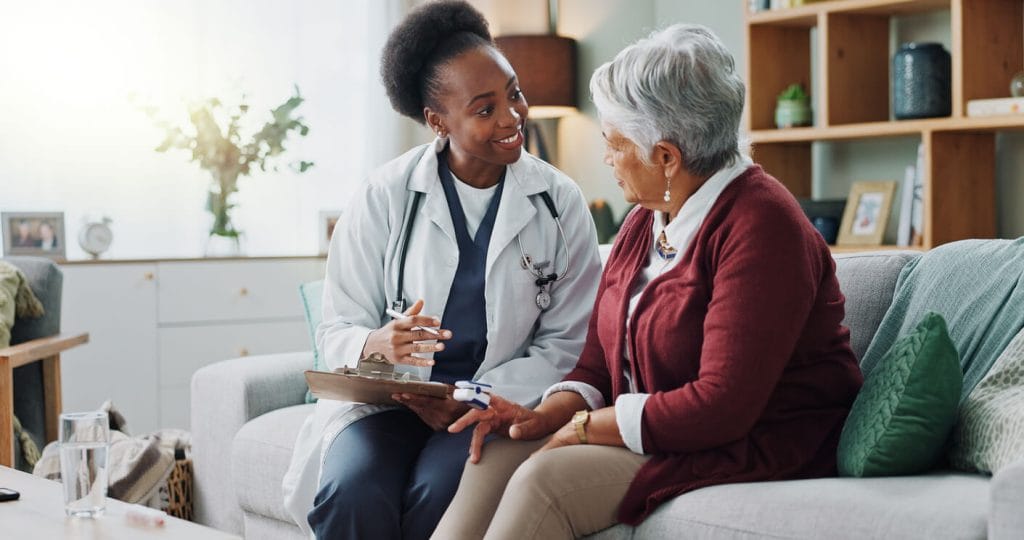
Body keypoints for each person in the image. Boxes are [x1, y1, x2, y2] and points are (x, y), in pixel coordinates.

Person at [433, 23, 864, 539]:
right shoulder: (646, 218)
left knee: (545, 478)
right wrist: (542, 417)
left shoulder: (762, 225)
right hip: (655, 432)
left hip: (752, 440)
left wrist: (585, 428)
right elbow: (596, 364)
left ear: (665, 156)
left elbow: (720, 407)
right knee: (493, 458)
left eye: (614, 145)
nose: (608, 161)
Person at [281, 2, 603, 539]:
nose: (511, 118)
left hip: (488, 405)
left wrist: (472, 396)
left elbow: (567, 344)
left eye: (514, 94)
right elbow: (336, 329)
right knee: (353, 489)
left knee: (441, 492)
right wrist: (377, 345)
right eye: (484, 109)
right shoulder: (385, 195)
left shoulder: (558, 201)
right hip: (389, 403)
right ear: (437, 121)